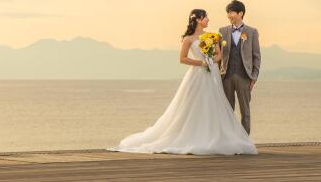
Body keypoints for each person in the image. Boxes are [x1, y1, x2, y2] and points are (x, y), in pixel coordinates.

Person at [109, 9, 257, 155]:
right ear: (198, 20)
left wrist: (210, 60)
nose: (208, 20)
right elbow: (182, 59)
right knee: (192, 105)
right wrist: (201, 63)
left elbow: (219, 56)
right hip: (197, 74)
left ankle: (216, 135)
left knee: (214, 104)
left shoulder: (212, 36)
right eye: (206, 17)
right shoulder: (188, 39)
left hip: (212, 74)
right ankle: (193, 136)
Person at [218, 0, 261, 134]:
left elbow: (257, 56)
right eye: (227, 13)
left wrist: (253, 78)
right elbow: (218, 55)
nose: (228, 15)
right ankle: (229, 140)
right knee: (227, 111)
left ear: (240, 13)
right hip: (226, 77)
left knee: (245, 112)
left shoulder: (252, 32)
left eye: (231, 12)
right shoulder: (222, 31)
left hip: (244, 77)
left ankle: (245, 142)